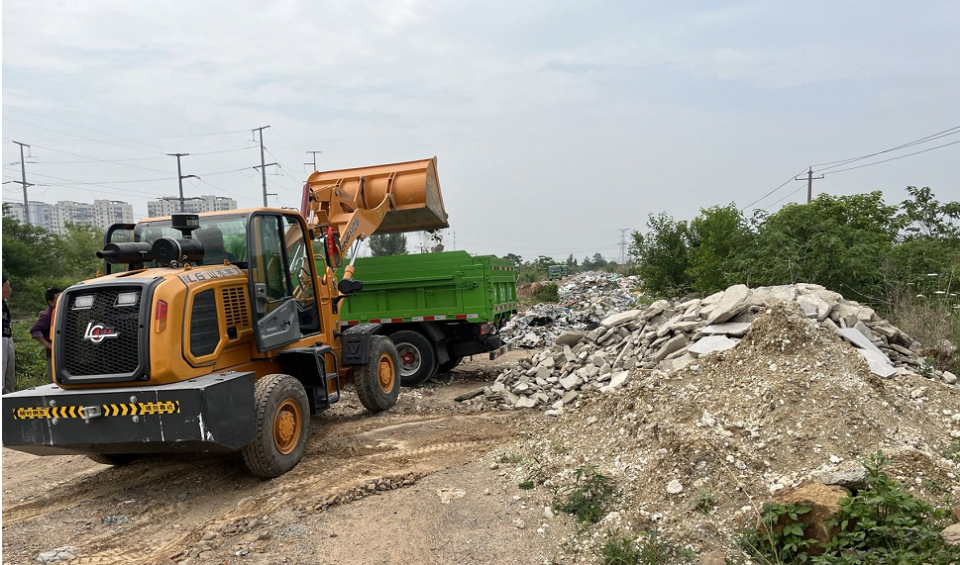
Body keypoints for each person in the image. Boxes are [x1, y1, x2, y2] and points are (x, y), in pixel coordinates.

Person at [30, 287, 60, 383]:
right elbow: (35, 330)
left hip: (64, 353)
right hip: (54, 355)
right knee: (56, 382)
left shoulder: (61, 311)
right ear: (51, 302)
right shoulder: (48, 315)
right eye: (58, 298)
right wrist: (48, 344)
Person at [2, 277, 14, 395]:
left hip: (8, 337)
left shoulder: (5, 303)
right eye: (7, 286)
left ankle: (8, 396)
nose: (9, 289)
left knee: (9, 372)